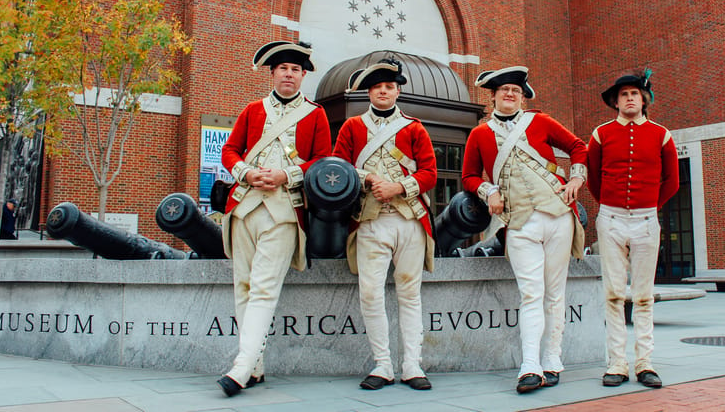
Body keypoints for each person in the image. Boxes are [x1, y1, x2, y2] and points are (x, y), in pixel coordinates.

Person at [461, 66, 587, 394]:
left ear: (522, 96)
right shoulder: (480, 134)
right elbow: (469, 176)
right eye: (503, 90)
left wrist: (576, 178)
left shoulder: (541, 122)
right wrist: (489, 191)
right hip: (518, 223)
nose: (509, 94)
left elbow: (578, 147)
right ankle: (529, 366)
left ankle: (553, 359)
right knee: (531, 294)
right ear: (492, 97)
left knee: (554, 293)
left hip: (558, 215)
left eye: (515, 91)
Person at [217, 41, 332, 397]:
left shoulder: (315, 114)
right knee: (244, 288)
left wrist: (287, 175)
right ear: (273, 73)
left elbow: (323, 159)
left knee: (264, 289)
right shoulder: (253, 111)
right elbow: (229, 150)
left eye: (295, 70)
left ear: (302, 77)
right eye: (283, 68)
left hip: (283, 209)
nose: (289, 74)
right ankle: (256, 365)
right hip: (245, 206)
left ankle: (239, 367)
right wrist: (247, 174)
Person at [332, 58, 437, 391]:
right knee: (370, 294)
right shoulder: (352, 127)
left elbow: (430, 173)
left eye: (389, 87)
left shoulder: (415, 128)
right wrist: (370, 178)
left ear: (397, 90)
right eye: (377, 87)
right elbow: (339, 168)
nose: (383, 92)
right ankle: (382, 365)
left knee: (410, 294)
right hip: (369, 220)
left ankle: (412, 365)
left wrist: (399, 187)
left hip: (408, 220)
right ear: (369, 92)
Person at [587, 70, 679, 389]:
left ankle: (644, 362)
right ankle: (616, 362)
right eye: (624, 94)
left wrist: (649, 206)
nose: (629, 98)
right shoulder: (600, 134)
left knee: (642, 295)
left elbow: (673, 181)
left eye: (635, 94)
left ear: (644, 100)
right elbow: (594, 179)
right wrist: (609, 205)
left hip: (645, 221)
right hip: (611, 218)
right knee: (612, 293)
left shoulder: (661, 135)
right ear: (616, 101)